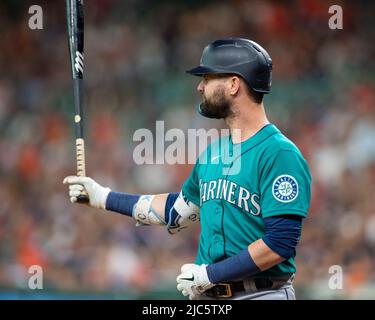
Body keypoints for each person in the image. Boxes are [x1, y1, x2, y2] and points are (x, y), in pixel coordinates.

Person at [63, 38, 311, 300]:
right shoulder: (212, 153)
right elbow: (176, 211)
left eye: (207, 77)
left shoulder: (279, 153)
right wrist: (102, 197)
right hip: (208, 296)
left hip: (261, 294)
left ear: (234, 84)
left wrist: (210, 275)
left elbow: (280, 243)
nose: (200, 86)